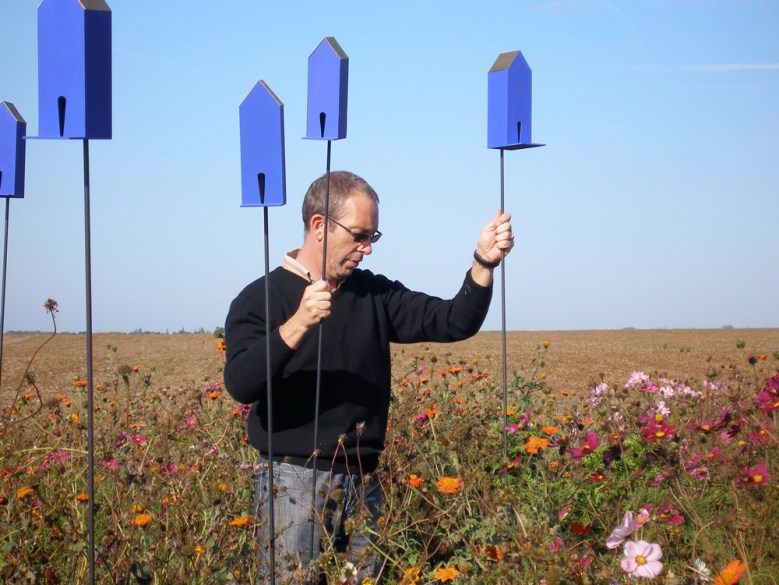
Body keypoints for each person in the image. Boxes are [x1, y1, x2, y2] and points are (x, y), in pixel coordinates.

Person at [224, 171, 514, 584]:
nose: (366, 250)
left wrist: (484, 262)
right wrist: (299, 323)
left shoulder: (373, 294)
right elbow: (240, 383)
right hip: (289, 483)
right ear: (319, 225)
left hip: (362, 482)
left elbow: (452, 321)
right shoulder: (259, 298)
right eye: (359, 235)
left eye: (372, 237)